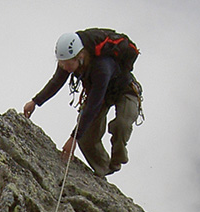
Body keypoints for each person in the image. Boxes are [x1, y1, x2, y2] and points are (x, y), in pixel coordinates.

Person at [23, 29, 142, 176]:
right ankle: (104, 169)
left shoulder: (101, 67)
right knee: (86, 139)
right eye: (61, 64)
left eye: (67, 64)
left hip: (124, 90)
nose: (65, 68)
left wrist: (73, 137)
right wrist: (35, 101)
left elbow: (94, 104)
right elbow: (56, 82)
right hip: (100, 93)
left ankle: (118, 157)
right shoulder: (68, 62)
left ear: (79, 57)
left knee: (122, 124)